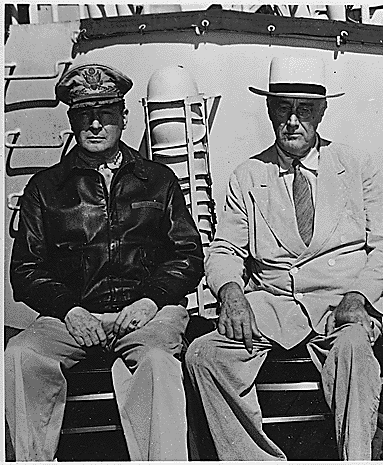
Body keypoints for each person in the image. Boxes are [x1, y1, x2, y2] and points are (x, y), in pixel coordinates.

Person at [185, 56, 383, 460]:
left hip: (342, 305)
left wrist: (360, 296)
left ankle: (356, 458)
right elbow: (226, 248)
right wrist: (231, 293)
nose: (293, 121)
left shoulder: (355, 167)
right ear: (270, 111)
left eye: (304, 110)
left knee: (354, 348)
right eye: (283, 108)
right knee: (204, 355)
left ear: (322, 112)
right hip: (273, 306)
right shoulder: (248, 175)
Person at [5, 63, 204, 461]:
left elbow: (187, 255)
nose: (95, 124)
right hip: (72, 316)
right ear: (72, 119)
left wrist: (149, 300)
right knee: (19, 358)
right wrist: (70, 310)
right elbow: (26, 269)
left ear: (123, 117)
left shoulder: (158, 180)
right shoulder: (46, 188)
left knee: (158, 365)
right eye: (84, 115)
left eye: (106, 113)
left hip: (147, 313)